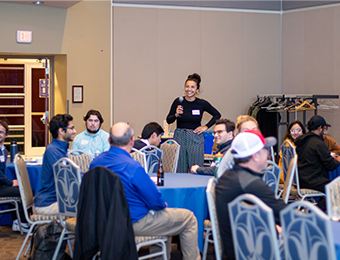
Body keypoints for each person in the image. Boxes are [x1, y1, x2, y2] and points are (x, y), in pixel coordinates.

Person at [90, 122, 201, 260]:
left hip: (103, 220)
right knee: (188, 218)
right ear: (132, 141)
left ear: (109, 140)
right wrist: (161, 205)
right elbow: (154, 199)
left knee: (162, 219)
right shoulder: (132, 166)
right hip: (132, 222)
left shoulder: (95, 163)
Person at [215, 129, 286, 260]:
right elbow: (288, 217)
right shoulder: (252, 184)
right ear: (256, 155)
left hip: (235, 251)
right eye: (265, 149)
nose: (268, 153)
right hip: (259, 254)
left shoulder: (227, 177)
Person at [166, 73, 221, 173]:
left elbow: (217, 115)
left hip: (195, 136)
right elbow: (169, 120)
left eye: (192, 87)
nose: (189, 89)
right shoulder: (178, 101)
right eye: (187, 86)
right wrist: (176, 114)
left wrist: (206, 127)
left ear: (197, 90)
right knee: (179, 167)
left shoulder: (201, 103)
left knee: (195, 167)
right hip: (180, 136)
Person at [295, 115, 340, 210]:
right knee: (335, 190)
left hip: (300, 180)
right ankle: (316, 213)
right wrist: (337, 160)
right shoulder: (318, 143)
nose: (324, 131)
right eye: (324, 128)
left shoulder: (302, 141)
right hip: (313, 180)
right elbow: (330, 165)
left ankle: (315, 210)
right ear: (320, 128)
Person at [34, 114, 76, 214]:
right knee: (90, 207)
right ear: (61, 131)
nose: (74, 131)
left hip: (54, 200)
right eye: (72, 128)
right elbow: (68, 177)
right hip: (48, 203)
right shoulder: (54, 151)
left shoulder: (58, 148)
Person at [0, 120, 29, 232]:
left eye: (1, 132)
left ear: (6, 135)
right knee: (23, 190)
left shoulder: (4, 151)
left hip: (1, 186)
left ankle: (18, 221)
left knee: (22, 189)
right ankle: (23, 222)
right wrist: (11, 182)